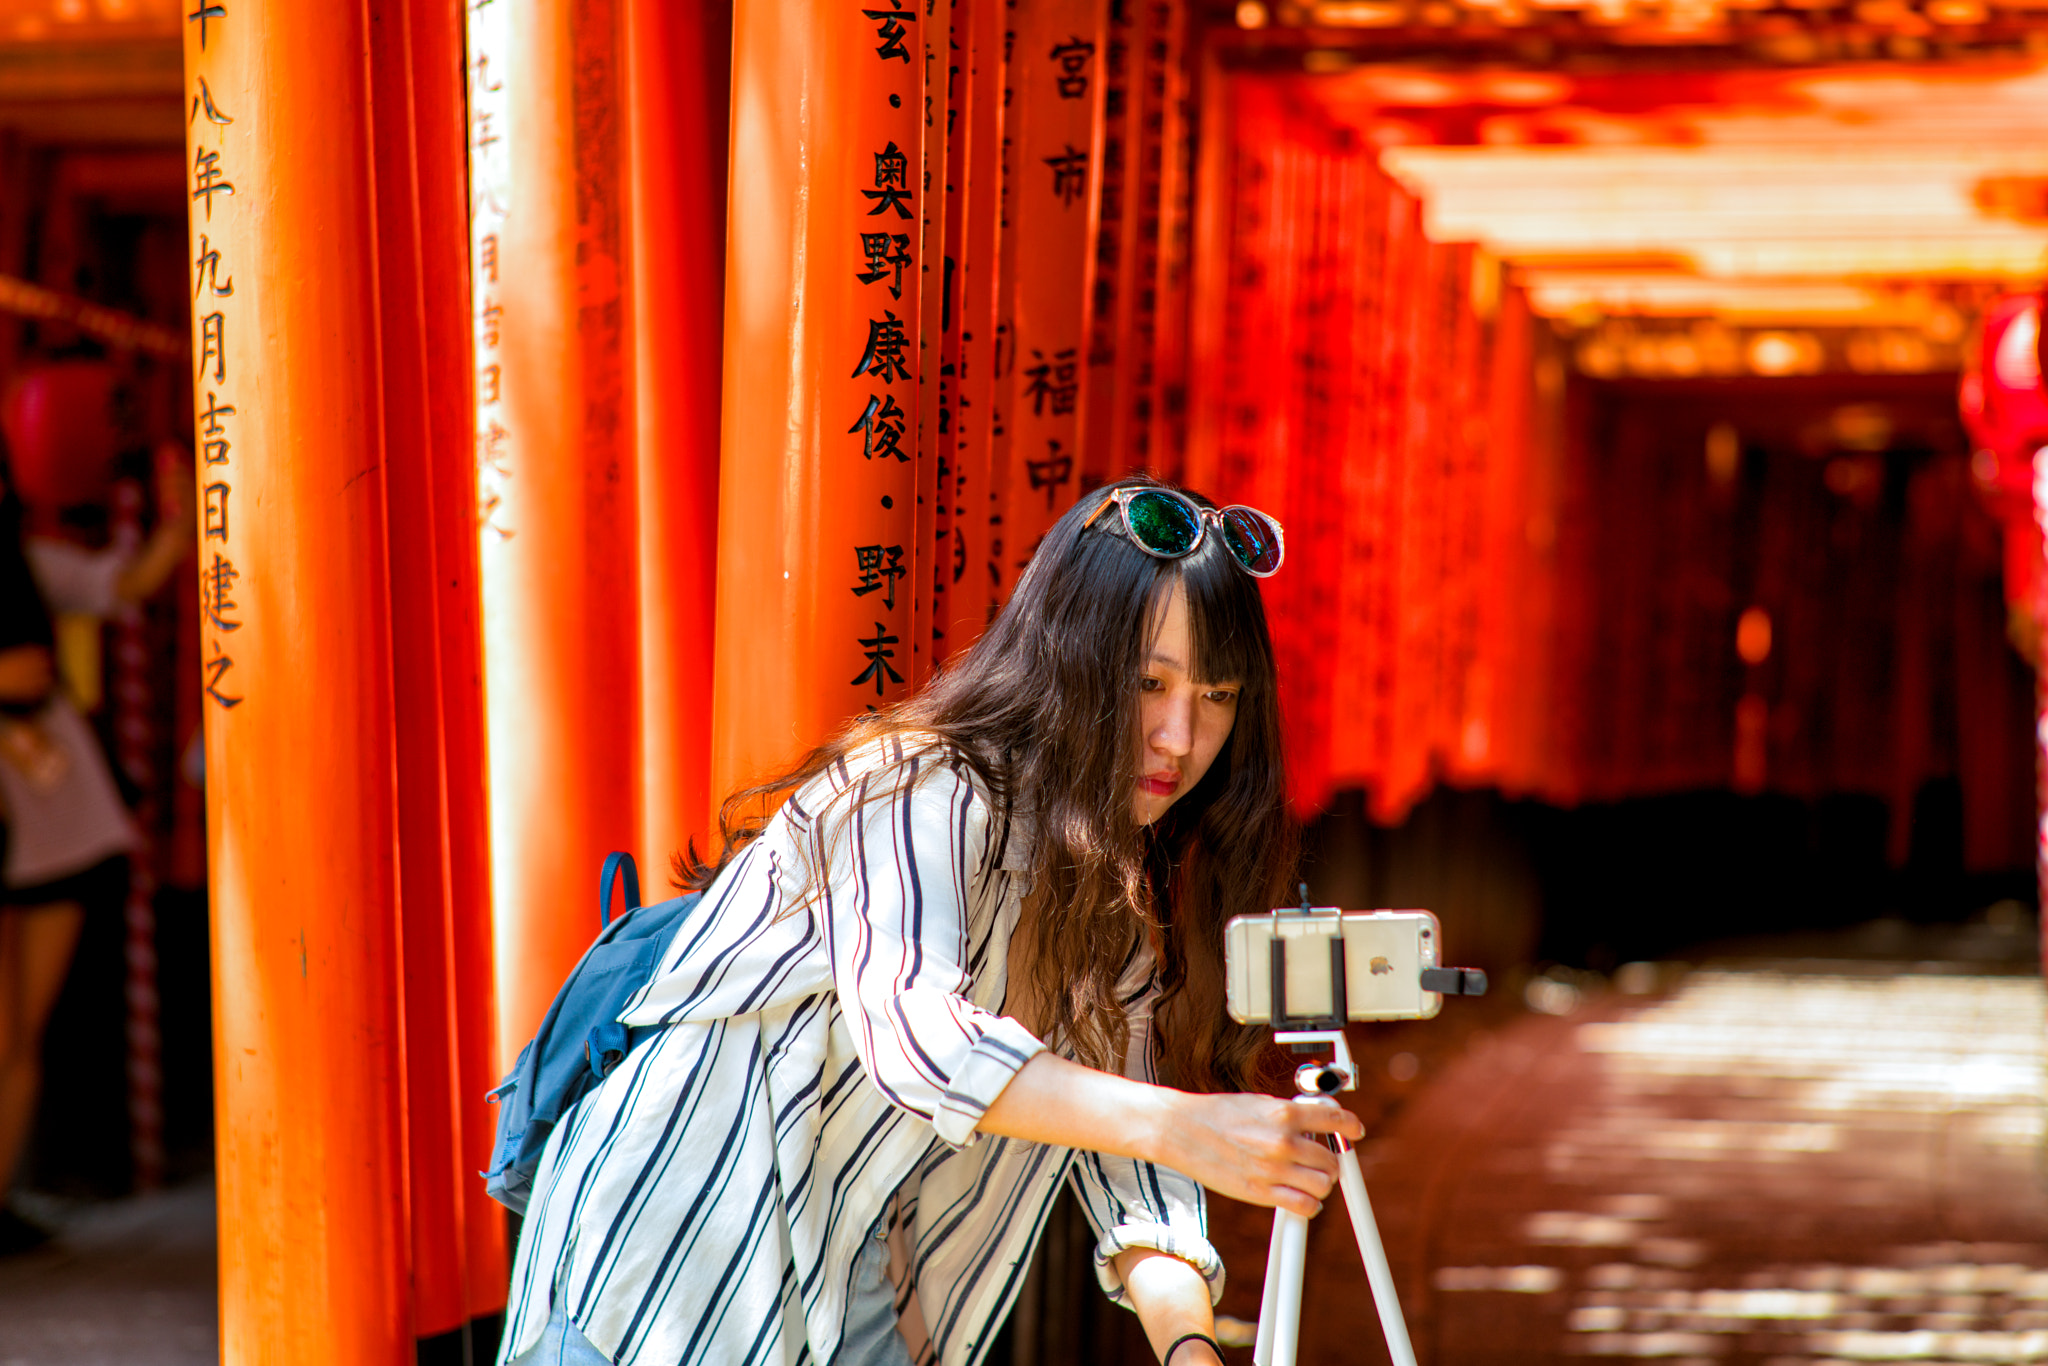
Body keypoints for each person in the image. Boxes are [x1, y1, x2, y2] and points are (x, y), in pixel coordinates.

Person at [499, 476, 1361, 1366]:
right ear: (1069, 654)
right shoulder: (918, 787)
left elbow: (1138, 1175)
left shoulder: (1115, 900)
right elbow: (928, 1046)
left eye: (1217, 695)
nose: (1181, 736)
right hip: (668, 1266)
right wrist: (1186, 1125)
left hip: (848, 1289)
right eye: (1149, 681)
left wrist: (1188, 1346)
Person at [0, 449, 191, 1252]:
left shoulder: (27, 562)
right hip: (22, 791)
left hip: (49, 812)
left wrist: (182, 516)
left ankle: (0, 1193)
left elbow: (127, 583)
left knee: (21, 1036)